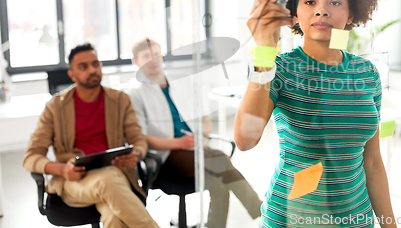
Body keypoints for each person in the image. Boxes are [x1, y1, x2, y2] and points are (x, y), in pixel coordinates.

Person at [235, 0, 397, 227]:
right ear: (295, 13)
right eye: (310, 1)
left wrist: (390, 225)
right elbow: (245, 140)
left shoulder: (367, 73)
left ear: (352, 13)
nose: (322, 10)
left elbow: (372, 162)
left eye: (335, 2)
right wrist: (264, 48)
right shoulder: (280, 69)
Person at [128, 38, 262, 228]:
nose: (153, 60)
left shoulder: (180, 83)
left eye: (156, 54)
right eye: (146, 56)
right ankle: (260, 210)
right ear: (135, 62)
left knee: (219, 183)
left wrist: (203, 137)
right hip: (166, 157)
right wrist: (180, 143)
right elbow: (140, 137)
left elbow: (204, 117)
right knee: (220, 158)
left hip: (197, 150)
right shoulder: (135, 93)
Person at [22, 43, 159, 228]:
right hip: (75, 181)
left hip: (116, 174)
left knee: (114, 217)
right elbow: (31, 157)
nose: (92, 70)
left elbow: (138, 140)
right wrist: (62, 170)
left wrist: (136, 155)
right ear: (72, 74)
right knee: (108, 180)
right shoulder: (55, 107)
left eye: (95, 64)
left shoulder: (120, 100)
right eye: (83, 67)